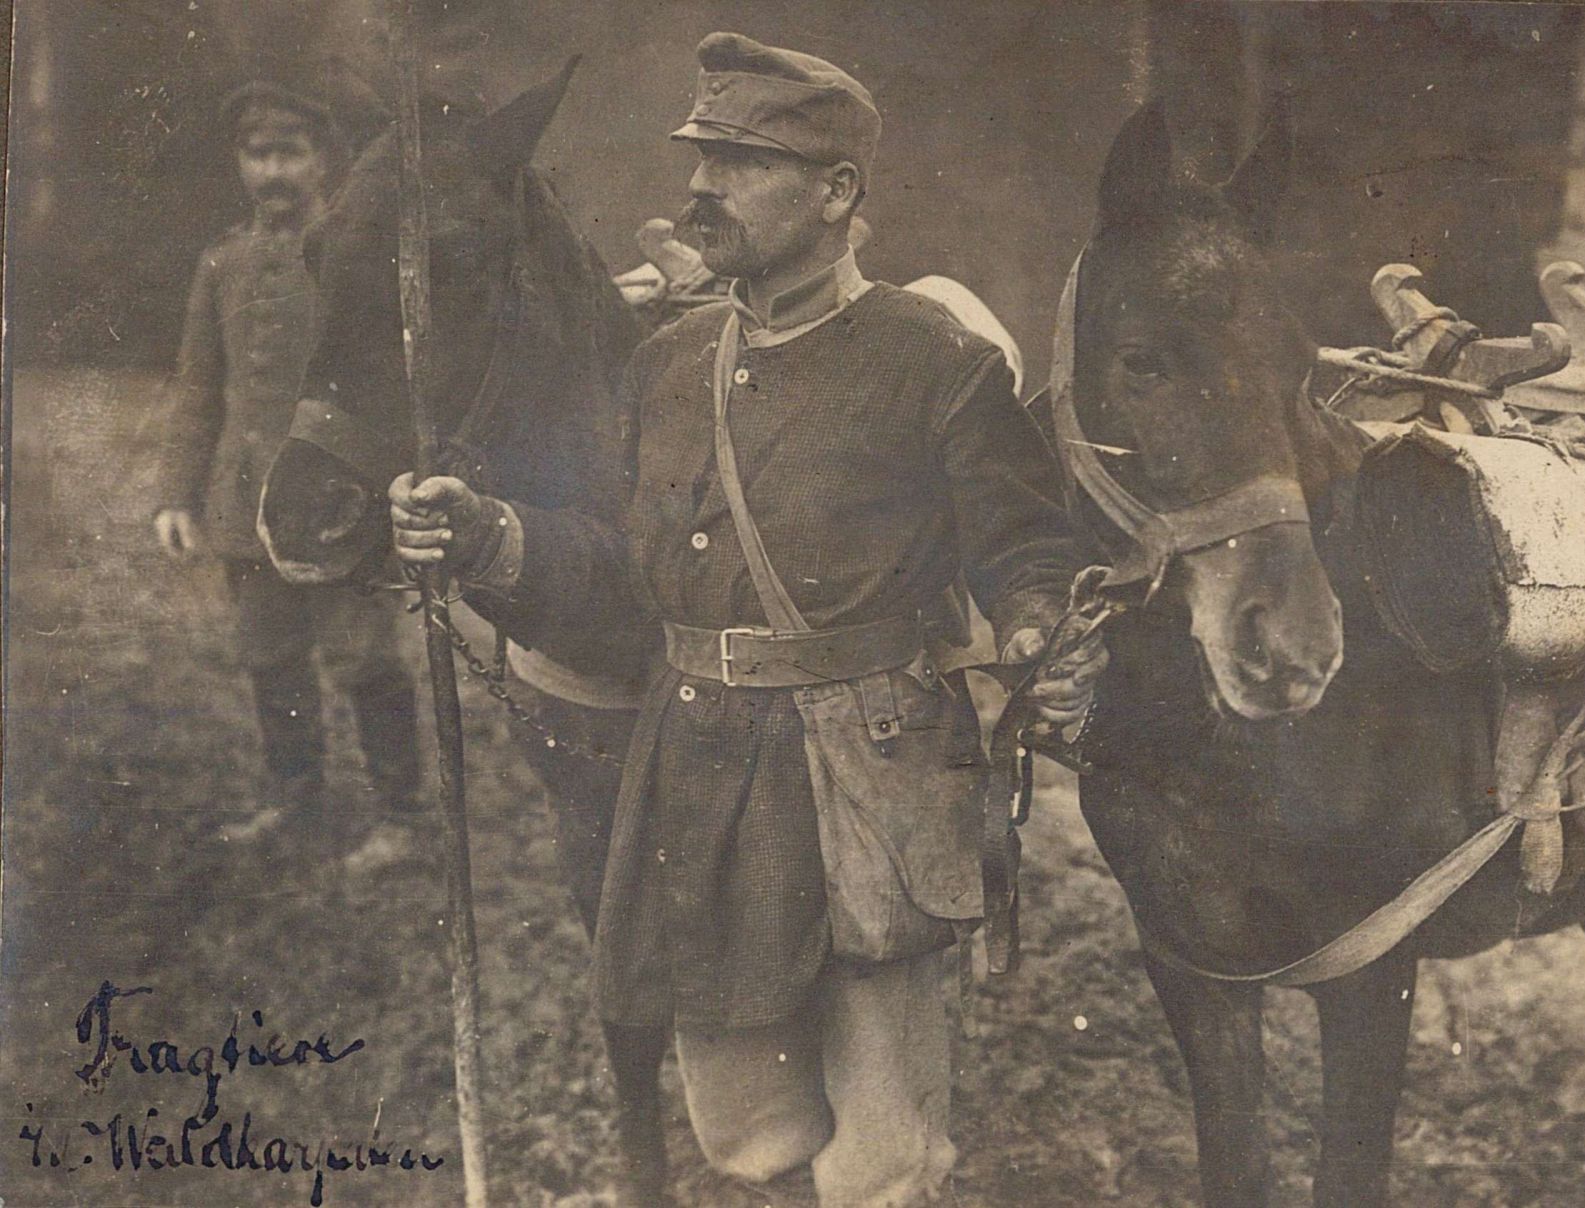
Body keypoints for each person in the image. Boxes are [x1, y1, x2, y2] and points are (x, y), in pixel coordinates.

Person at [388, 32, 1104, 1206]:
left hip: (865, 774)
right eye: (700, 158)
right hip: (704, 773)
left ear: (836, 193)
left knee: (879, 1152)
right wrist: (489, 536)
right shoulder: (667, 365)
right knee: (745, 1131)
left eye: (743, 163)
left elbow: (1025, 545)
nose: (700, 188)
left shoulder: (936, 360)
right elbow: (633, 584)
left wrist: (1041, 627)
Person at [154, 79, 421, 862]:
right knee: (269, 655)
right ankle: (294, 801)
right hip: (246, 502)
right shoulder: (222, 262)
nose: (271, 171)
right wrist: (176, 494)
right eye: (256, 153)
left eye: (289, 152)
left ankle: (402, 816)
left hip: (338, 498)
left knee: (364, 656)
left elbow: (390, 378)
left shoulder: (354, 250)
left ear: (322, 159)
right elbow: (198, 386)